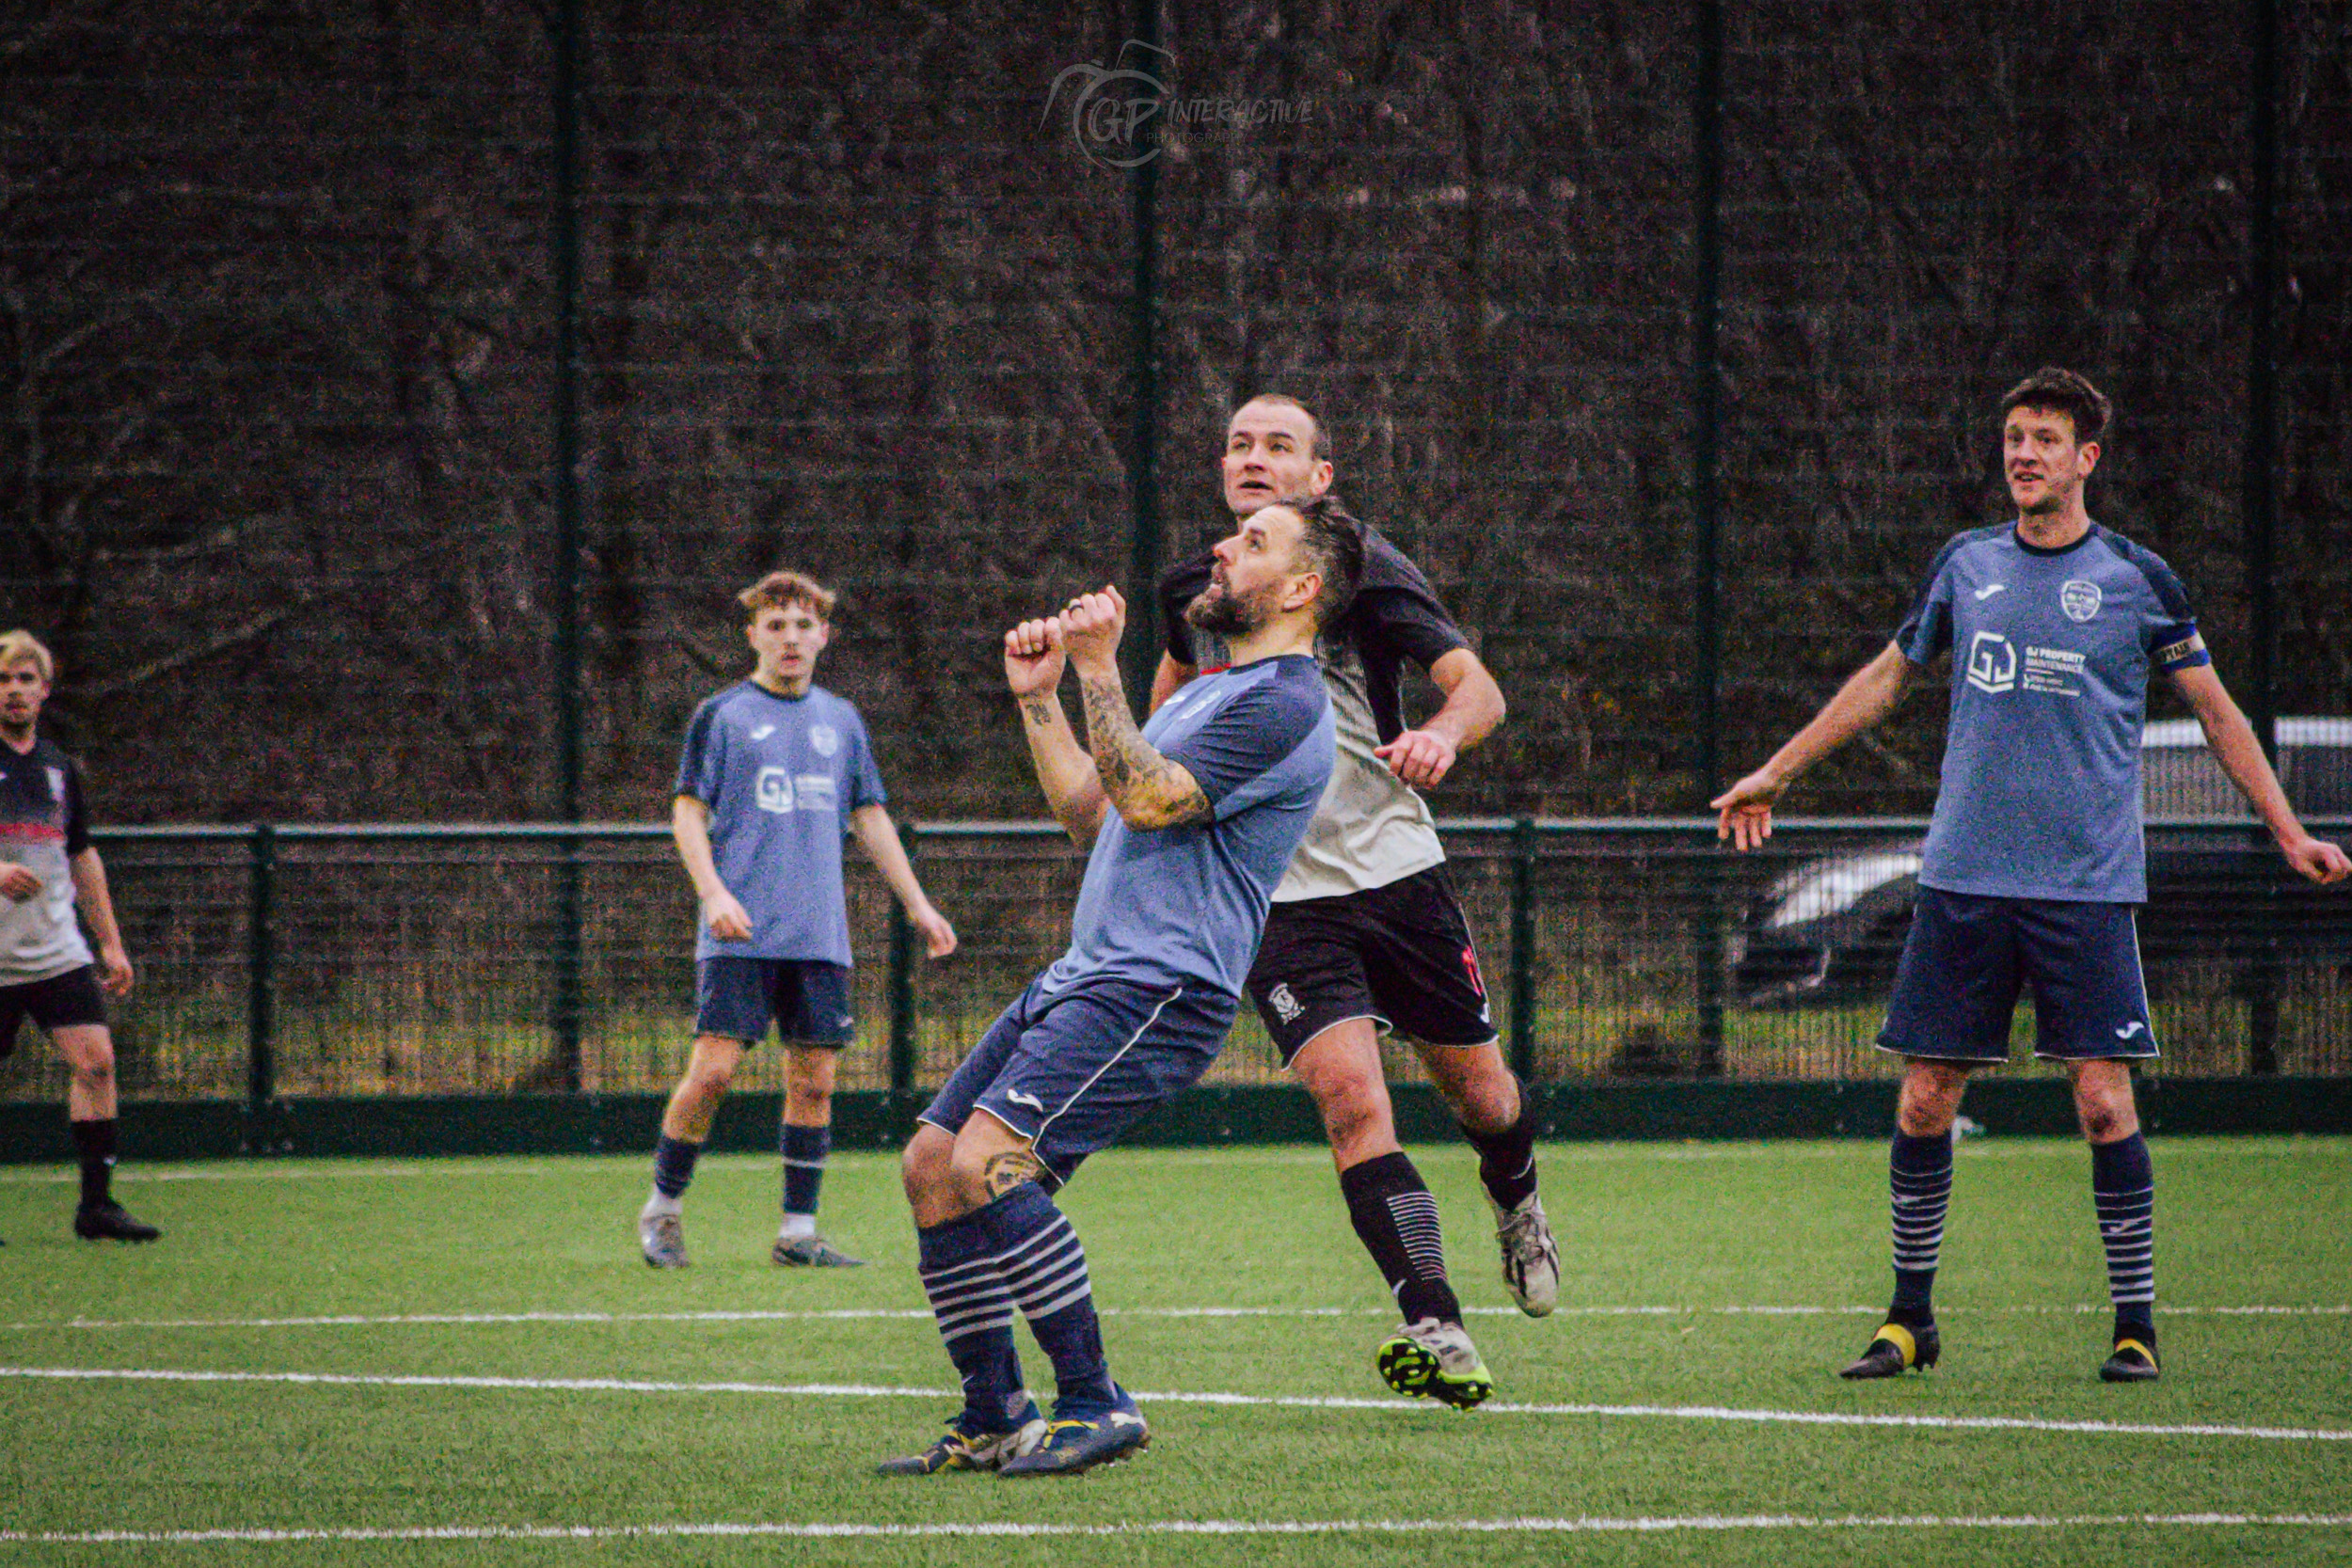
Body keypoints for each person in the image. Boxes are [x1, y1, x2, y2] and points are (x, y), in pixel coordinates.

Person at [1712, 368, 2351, 1384]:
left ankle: (2134, 1325)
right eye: (2014, 436)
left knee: (2101, 1103)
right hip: (1964, 880)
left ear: (2086, 457)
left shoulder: (2139, 580)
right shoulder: (1965, 564)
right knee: (1924, 1099)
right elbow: (1886, 678)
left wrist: (2286, 830)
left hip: (2084, 888)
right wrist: (1775, 771)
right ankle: (1909, 1318)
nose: (2023, 454)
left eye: (2045, 439)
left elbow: (2218, 714)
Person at [881, 499, 1349, 1479]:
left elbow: (1148, 797)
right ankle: (995, 1413)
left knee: (990, 1160)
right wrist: (1041, 698)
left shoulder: (1288, 702)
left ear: (1303, 588)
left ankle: (1098, 1400)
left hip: (1161, 985)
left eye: (1253, 542)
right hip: (1090, 973)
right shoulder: (1209, 692)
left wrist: (1101, 668)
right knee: (931, 1163)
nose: (1223, 547)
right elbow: (1095, 816)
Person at [1150, 393, 1550, 1410]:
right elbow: (1167, 712)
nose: (1252, 457)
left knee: (1483, 1097)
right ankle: (1436, 1319)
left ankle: (1515, 1194)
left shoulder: (1364, 569)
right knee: (1351, 1101)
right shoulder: (1195, 586)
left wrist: (1439, 736)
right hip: (1282, 895)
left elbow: (1479, 690)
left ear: (1320, 477)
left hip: (1394, 870)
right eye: (1237, 443)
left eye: (1278, 444)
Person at [636, 571, 957, 1270]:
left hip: (818, 937)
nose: (790, 638)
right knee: (713, 1073)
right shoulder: (722, 716)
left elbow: (869, 817)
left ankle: (798, 1232)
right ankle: (663, 1209)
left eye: (803, 626)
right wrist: (714, 894)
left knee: (814, 1082)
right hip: (740, 934)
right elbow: (687, 812)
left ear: (824, 636)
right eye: (776, 625)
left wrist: (919, 904)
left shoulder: (841, 720)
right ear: (752, 634)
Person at [0, 630, 157, 1243]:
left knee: (96, 1064)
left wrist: (110, 942)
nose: (14, 690)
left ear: (45, 689)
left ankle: (97, 1207)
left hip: (56, 954)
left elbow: (81, 854)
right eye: (3, 679)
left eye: (25, 679)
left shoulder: (59, 768)